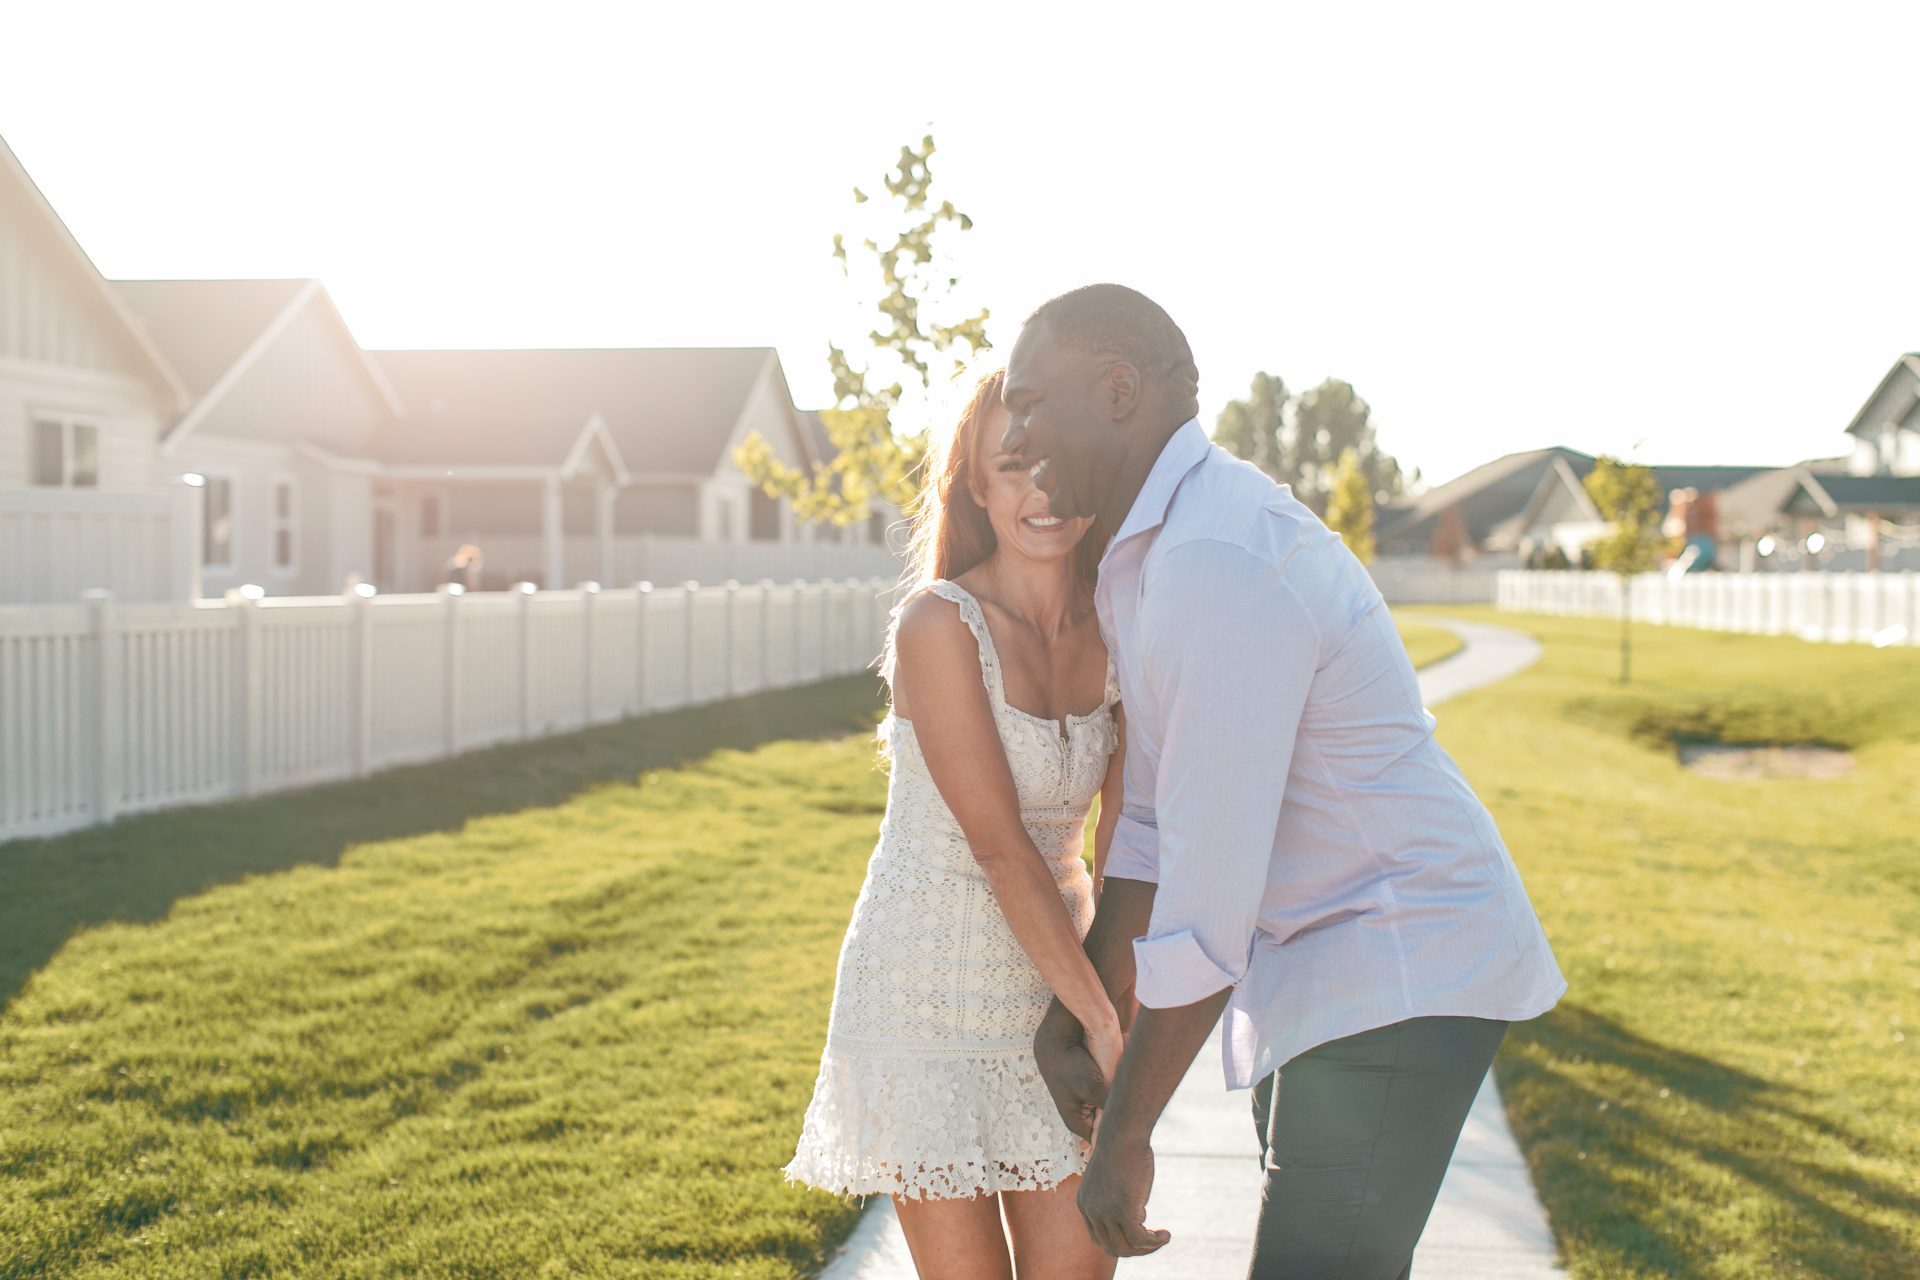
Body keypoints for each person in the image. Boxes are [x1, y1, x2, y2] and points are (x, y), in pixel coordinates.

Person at [1004, 284, 1567, 1279]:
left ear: (1119, 392)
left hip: (1396, 967)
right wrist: (1080, 1005)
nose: (1014, 436)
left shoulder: (1213, 559)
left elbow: (1211, 893)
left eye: (1029, 401)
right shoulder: (1158, 551)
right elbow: (1150, 826)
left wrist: (1129, 1130)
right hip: (1331, 973)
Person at [782, 369, 1125, 1280]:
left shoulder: (1125, 631)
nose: (1045, 490)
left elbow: (1127, 842)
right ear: (974, 482)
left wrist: (1105, 1005)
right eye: (1014, 465)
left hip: (1061, 987)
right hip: (924, 997)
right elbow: (1000, 847)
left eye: (1064, 462)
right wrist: (1105, 1022)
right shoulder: (939, 625)